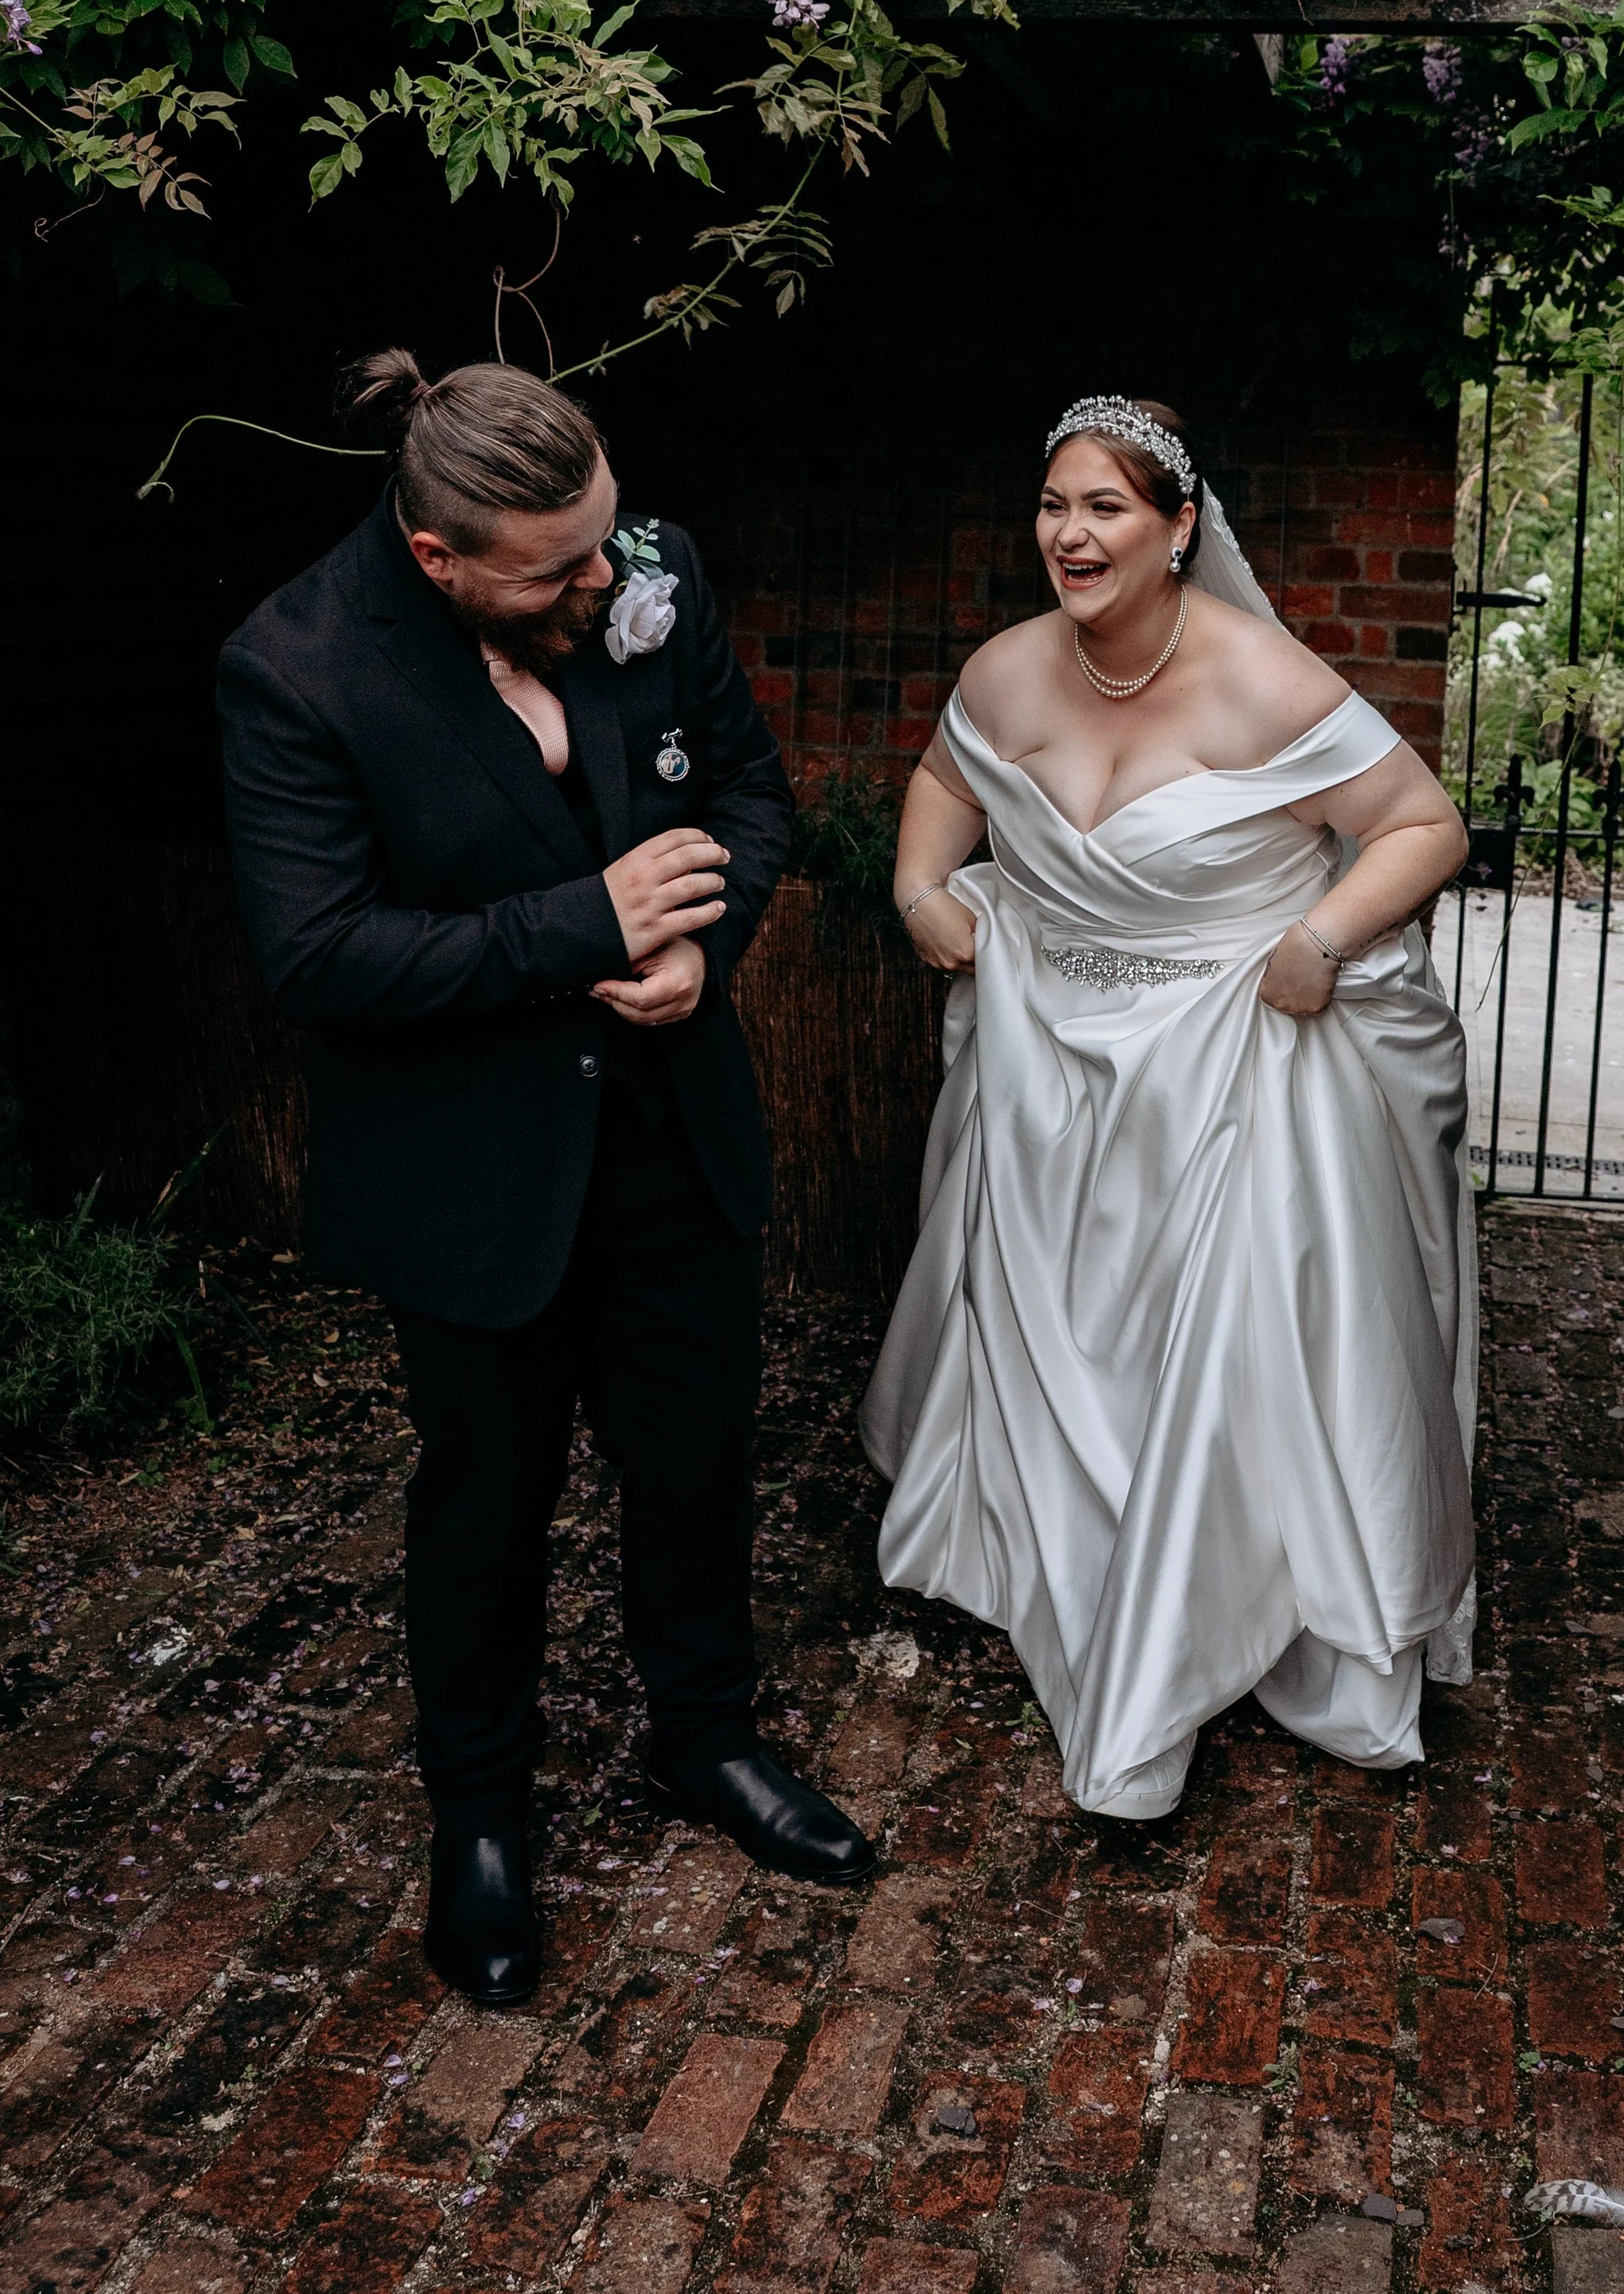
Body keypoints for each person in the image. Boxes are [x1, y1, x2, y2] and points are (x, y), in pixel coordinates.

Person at [218, 352, 873, 2006]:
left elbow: (750, 795)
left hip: (672, 1129)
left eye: (607, 542)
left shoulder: (649, 569)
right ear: (439, 556)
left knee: (695, 1459)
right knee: (485, 1501)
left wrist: (705, 948)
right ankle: (482, 1821)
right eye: (558, 569)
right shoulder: (295, 666)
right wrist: (587, 924)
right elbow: (319, 955)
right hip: (469, 1175)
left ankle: (705, 1741)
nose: (606, 580)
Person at [861, 395, 1478, 1820]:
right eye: (1054, 506)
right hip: (1045, 1061)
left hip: (1233, 1065)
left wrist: (1322, 938)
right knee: (1053, 1323)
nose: (1071, 535)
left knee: (1220, 1345)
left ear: (1179, 527)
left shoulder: (1262, 677)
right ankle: (1067, 1563)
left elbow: (1423, 823)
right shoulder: (1011, 667)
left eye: (1107, 508)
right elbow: (945, 778)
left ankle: (1208, 1614)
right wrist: (917, 890)